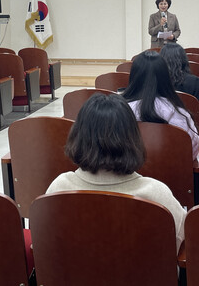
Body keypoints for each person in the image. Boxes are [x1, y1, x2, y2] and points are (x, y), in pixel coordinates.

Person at [47, 92, 186, 251]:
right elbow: (181, 240)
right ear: (132, 138)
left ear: (78, 136)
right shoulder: (156, 195)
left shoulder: (59, 189)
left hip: (75, 268)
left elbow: (43, 245)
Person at [122, 50, 199, 160]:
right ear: (166, 78)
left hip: (130, 169)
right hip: (173, 169)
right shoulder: (180, 114)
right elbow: (193, 150)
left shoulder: (121, 112)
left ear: (133, 78)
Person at [159, 43, 199, 118]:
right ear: (183, 59)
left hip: (160, 123)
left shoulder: (155, 80)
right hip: (187, 123)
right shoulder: (193, 81)